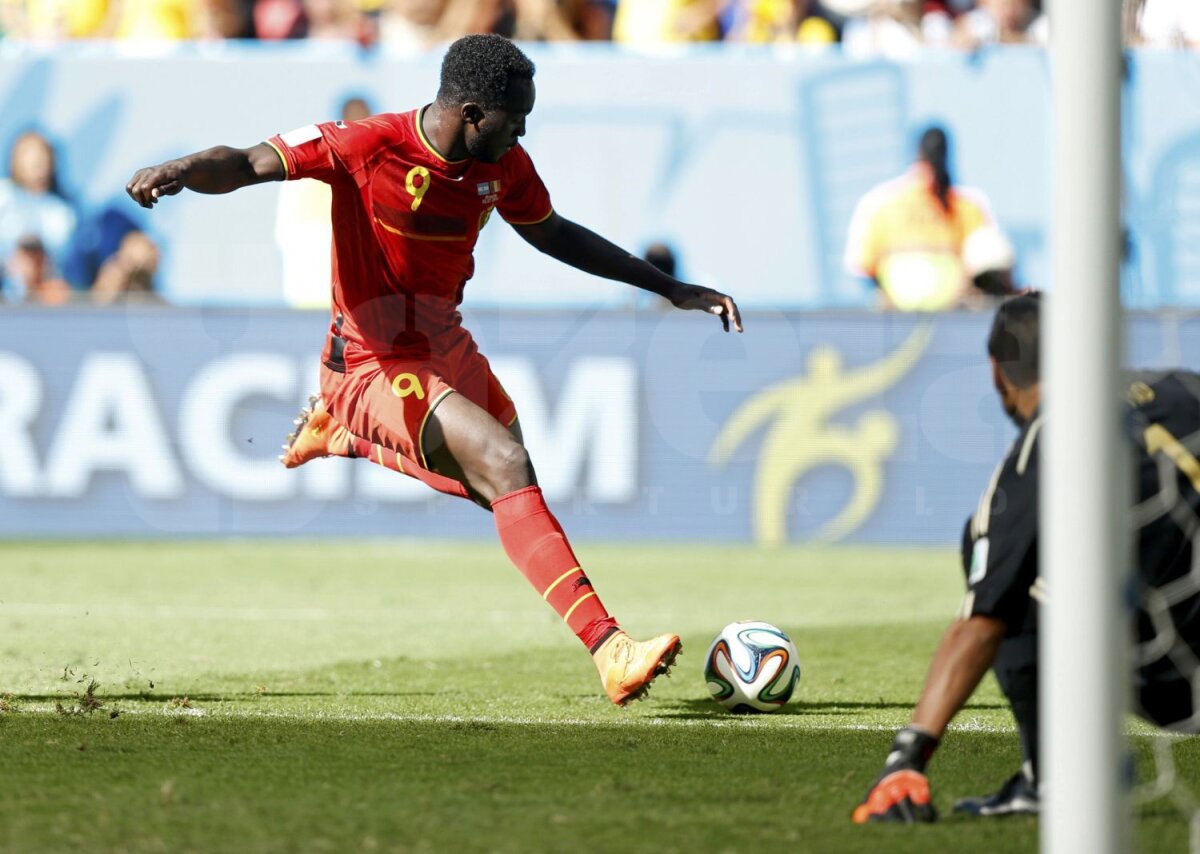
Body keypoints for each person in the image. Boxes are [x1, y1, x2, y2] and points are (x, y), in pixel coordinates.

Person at [126, 34, 742, 707]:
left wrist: (668, 287)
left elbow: (555, 232)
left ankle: (347, 437)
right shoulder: (367, 146)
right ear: (474, 113)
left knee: (504, 487)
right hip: (369, 360)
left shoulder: (505, 166)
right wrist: (183, 168)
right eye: (517, 119)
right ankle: (610, 649)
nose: (524, 132)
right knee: (502, 463)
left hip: (445, 346)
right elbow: (246, 161)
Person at [852, 294, 1200, 824]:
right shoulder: (1183, 389)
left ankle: (1052, 781)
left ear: (997, 374)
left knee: (1003, 562)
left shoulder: (1042, 454)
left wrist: (908, 757)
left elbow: (983, 621)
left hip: (1178, 680)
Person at [843, 125, 994, 312]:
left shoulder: (880, 201)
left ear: (917, 153)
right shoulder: (968, 204)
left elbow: (863, 267)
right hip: (954, 310)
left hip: (901, 313)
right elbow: (988, 263)